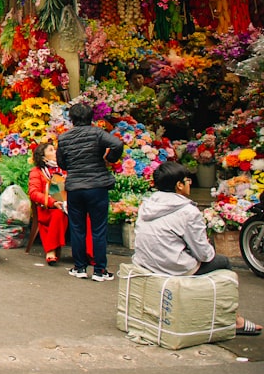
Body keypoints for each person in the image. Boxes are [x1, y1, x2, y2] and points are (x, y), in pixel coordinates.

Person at [132, 160, 260, 335]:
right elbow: (204, 254)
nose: (190, 183)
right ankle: (235, 320)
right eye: (187, 180)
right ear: (179, 185)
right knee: (222, 262)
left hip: (144, 261)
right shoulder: (187, 211)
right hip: (172, 265)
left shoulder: (147, 204)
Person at [56, 102, 124, 282]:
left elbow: (62, 163)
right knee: (98, 229)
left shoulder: (64, 138)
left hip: (75, 187)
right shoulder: (97, 133)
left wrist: (73, 166)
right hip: (97, 186)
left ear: (71, 119)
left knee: (77, 229)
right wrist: (109, 158)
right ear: (91, 117)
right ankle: (100, 270)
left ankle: (80, 267)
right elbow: (117, 144)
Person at [28, 142, 68, 266]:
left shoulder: (64, 170)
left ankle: (89, 255)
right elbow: (34, 193)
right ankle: (51, 250)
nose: (55, 151)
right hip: (48, 207)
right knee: (58, 214)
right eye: (51, 150)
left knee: (87, 215)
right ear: (43, 157)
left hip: (68, 204)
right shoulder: (37, 172)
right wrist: (53, 202)